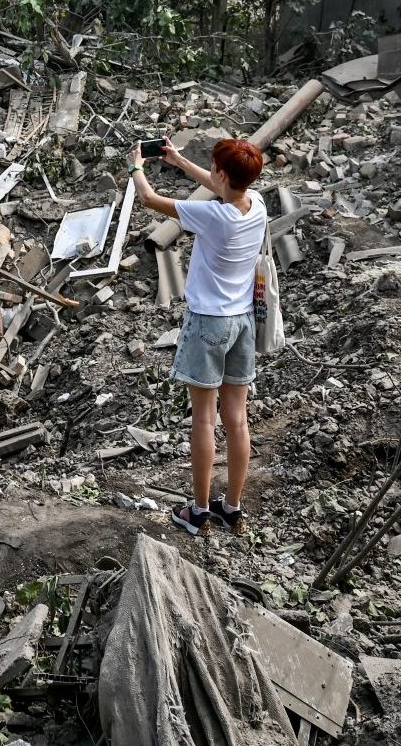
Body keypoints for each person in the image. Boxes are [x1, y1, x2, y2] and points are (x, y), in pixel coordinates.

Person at [128, 138, 268, 536]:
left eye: (214, 168)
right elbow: (222, 183)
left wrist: (137, 166)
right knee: (237, 420)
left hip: (208, 323)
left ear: (223, 174)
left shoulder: (212, 216)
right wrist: (179, 160)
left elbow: (150, 199)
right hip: (242, 322)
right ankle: (233, 508)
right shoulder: (256, 205)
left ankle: (200, 511)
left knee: (204, 419)